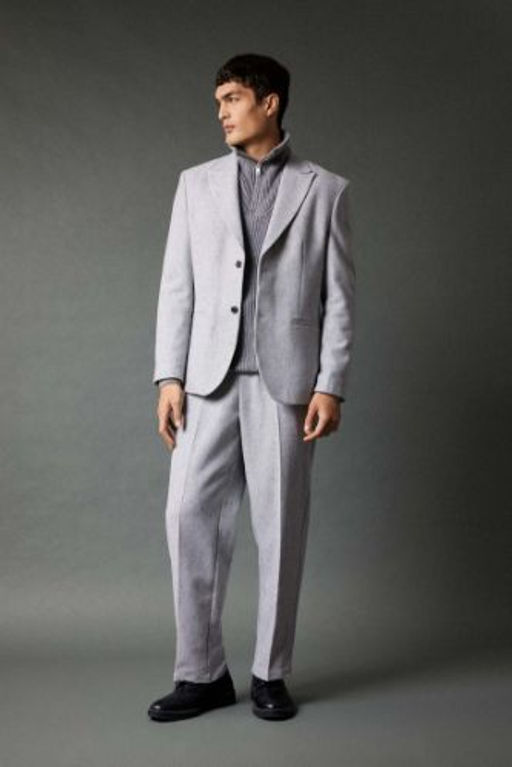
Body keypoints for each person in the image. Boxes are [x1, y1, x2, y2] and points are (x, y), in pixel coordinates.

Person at [147, 53, 355, 722]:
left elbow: (338, 299)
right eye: (218, 102)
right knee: (187, 516)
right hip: (206, 382)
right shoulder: (195, 184)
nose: (222, 112)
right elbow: (176, 287)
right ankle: (201, 673)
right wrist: (169, 375)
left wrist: (330, 384)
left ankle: (271, 672)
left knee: (281, 526)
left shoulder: (325, 190)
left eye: (233, 98)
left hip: (285, 385)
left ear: (270, 103)